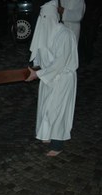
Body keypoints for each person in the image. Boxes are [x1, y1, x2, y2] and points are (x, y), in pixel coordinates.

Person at [25, 1, 78, 157]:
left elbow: (60, 62)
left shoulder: (65, 35)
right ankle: (47, 134)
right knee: (46, 108)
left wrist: (38, 74)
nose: (43, 20)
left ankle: (58, 143)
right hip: (48, 78)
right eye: (42, 17)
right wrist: (36, 68)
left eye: (46, 17)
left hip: (62, 79)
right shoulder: (45, 34)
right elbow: (40, 55)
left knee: (57, 111)